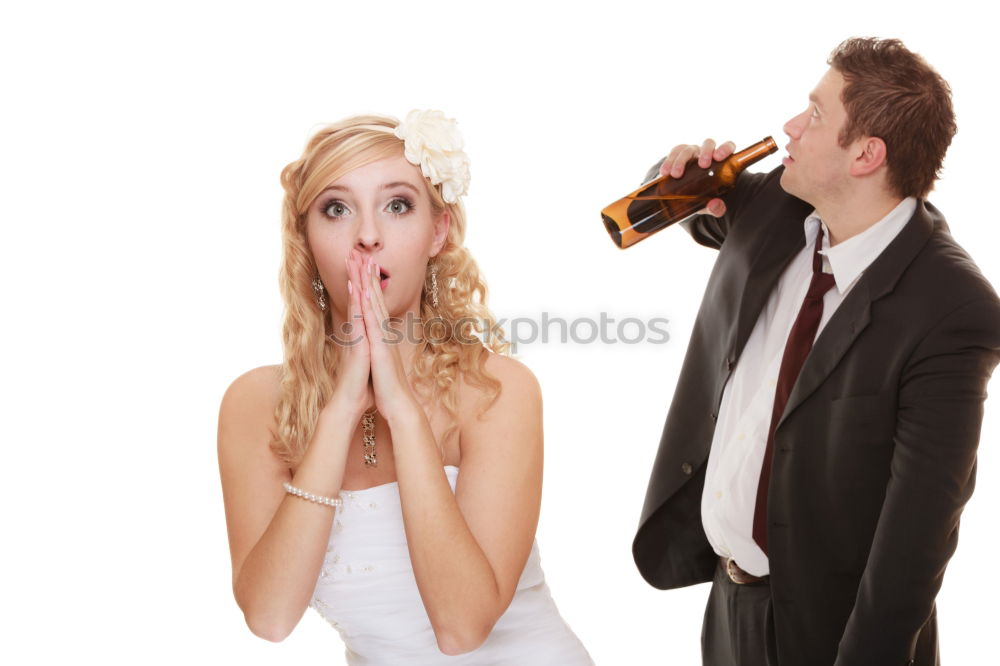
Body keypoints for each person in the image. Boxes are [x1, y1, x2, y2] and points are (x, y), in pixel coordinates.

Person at [631, 38, 1000, 665]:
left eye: (816, 114)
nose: (791, 128)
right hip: (726, 609)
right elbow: (684, 213)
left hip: (834, 635)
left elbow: (918, 537)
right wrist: (669, 175)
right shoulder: (777, 204)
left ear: (865, 154)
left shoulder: (953, 308)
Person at [217, 111, 592, 665]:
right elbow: (270, 618)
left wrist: (402, 409)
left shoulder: (497, 390)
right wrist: (343, 405)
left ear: (437, 231)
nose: (367, 235)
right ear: (306, 236)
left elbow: (462, 628)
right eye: (336, 209)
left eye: (397, 205)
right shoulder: (255, 404)